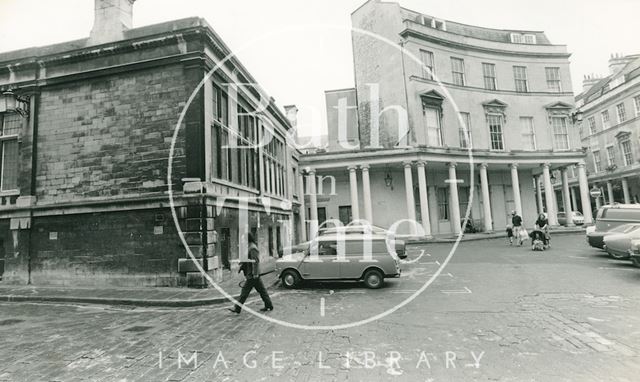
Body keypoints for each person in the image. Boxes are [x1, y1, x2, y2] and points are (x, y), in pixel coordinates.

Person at [229, 232, 273, 314]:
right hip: (253, 274)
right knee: (262, 291)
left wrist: (255, 273)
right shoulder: (249, 247)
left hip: (252, 275)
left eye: (243, 238)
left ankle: (237, 308)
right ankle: (269, 305)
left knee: (244, 292)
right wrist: (241, 265)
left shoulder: (252, 248)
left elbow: (255, 262)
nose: (241, 240)